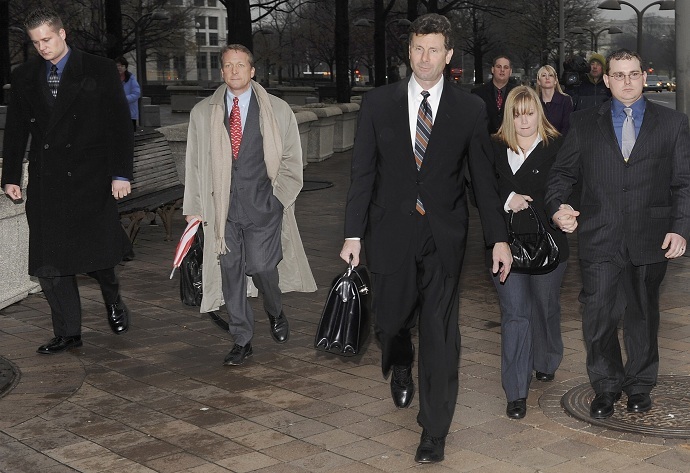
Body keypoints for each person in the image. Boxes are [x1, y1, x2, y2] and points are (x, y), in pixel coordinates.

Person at [340, 14, 512, 464]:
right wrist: (352, 234)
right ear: (409, 51)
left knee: (440, 330)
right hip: (389, 231)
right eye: (418, 48)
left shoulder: (470, 109)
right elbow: (361, 174)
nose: (424, 58)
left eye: (433, 49)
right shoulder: (378, 104)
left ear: (449, 55)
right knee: (390, 323)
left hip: (444, 236)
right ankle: (400, 360)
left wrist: (497, 238)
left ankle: (434, 429)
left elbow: (483, 180)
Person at [545, 49, 690, 420]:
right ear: (606, 80)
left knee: (642, 314)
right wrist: (558, 207)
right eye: (618, 74)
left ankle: (640, 385)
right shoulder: (583, 123)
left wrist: (679, 228)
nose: (627, 80)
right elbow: (561, 175)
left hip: (650, 236)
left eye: (633, 73)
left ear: (645, 77)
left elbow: (683, 183)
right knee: (599, 314)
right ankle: (606, 387)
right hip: (599, 235)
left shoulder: (673, 124)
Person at [1, 8, 134, 354]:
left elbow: (120, 126)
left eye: (47, 39)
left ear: (63, 34)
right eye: (35, 42)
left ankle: (113, 297)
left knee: (99, 256)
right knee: (50, 262)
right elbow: (15, 129)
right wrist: (11, 176)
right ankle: (67, 332)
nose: (42, 47)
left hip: (91, 178)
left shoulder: (100, 69)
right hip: (48, 181)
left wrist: (121, 174)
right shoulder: (25, 75)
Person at [184, 44, 316, 367]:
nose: (234, 72)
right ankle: (242, 340)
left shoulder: (278, 110)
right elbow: (194, 166)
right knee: (231, 274)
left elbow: (291, 161)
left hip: (264, 208)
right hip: (222, 211)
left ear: (252, 70)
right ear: (221, 72)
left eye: (241, 65)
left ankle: (275, 310)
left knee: (260, 267)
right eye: (228, 66)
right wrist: (194, 208)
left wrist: (277, 200)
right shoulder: (203, 113)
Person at [489, 86, 568, 419]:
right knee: (516, 315)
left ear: (540, 113)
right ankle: (516, 391)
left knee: (545, 307)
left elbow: (567, 186)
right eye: (517, 114)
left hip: (549, 245)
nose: (524, 121)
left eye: (530, 113)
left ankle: (547, 358)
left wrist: (564, 209)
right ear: (510, 116)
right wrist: (509, 198)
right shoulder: (492, 147)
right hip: (505, 246)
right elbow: (478, 188)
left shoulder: (558, 146)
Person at [472, 55, 517, 133]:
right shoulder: (478, 93)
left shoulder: (518, 93)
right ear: (492, 70)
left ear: (510, 72)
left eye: (506, 67)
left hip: (511, 141)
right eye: (498, 67)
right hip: (485, 141)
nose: (502, 70)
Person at [535, 65, 573, 134]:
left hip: (560, 142)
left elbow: (567, 127)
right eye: (543, 75)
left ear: (555, 80)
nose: (547, 78)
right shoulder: (534, 101)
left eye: (550, 75)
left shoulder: (565, 100)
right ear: (538, 81)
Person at [115, 56, 141, 131]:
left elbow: (136, 93)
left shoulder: (131, 79)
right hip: (115, 114)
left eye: (122, 66)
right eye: (117, 66)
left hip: (129, 114)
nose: (119, 68)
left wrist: (123, 99)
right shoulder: (112, 79)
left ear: (126, 67)